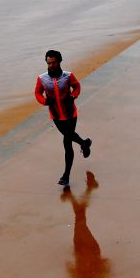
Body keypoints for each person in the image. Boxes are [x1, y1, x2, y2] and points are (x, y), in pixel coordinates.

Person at [34, 49, 92, 186]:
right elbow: (37, 93)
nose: (51, 65)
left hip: (71, 114)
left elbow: (76, 86)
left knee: (67, 142)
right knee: (69, 136)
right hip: (56, 116)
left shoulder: (68, 76)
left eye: (53, 63)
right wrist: (44, 101)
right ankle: (84, 143)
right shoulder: (42, 78)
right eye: (49, 63)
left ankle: (66, 176)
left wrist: (73, 96)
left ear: (59, 62)